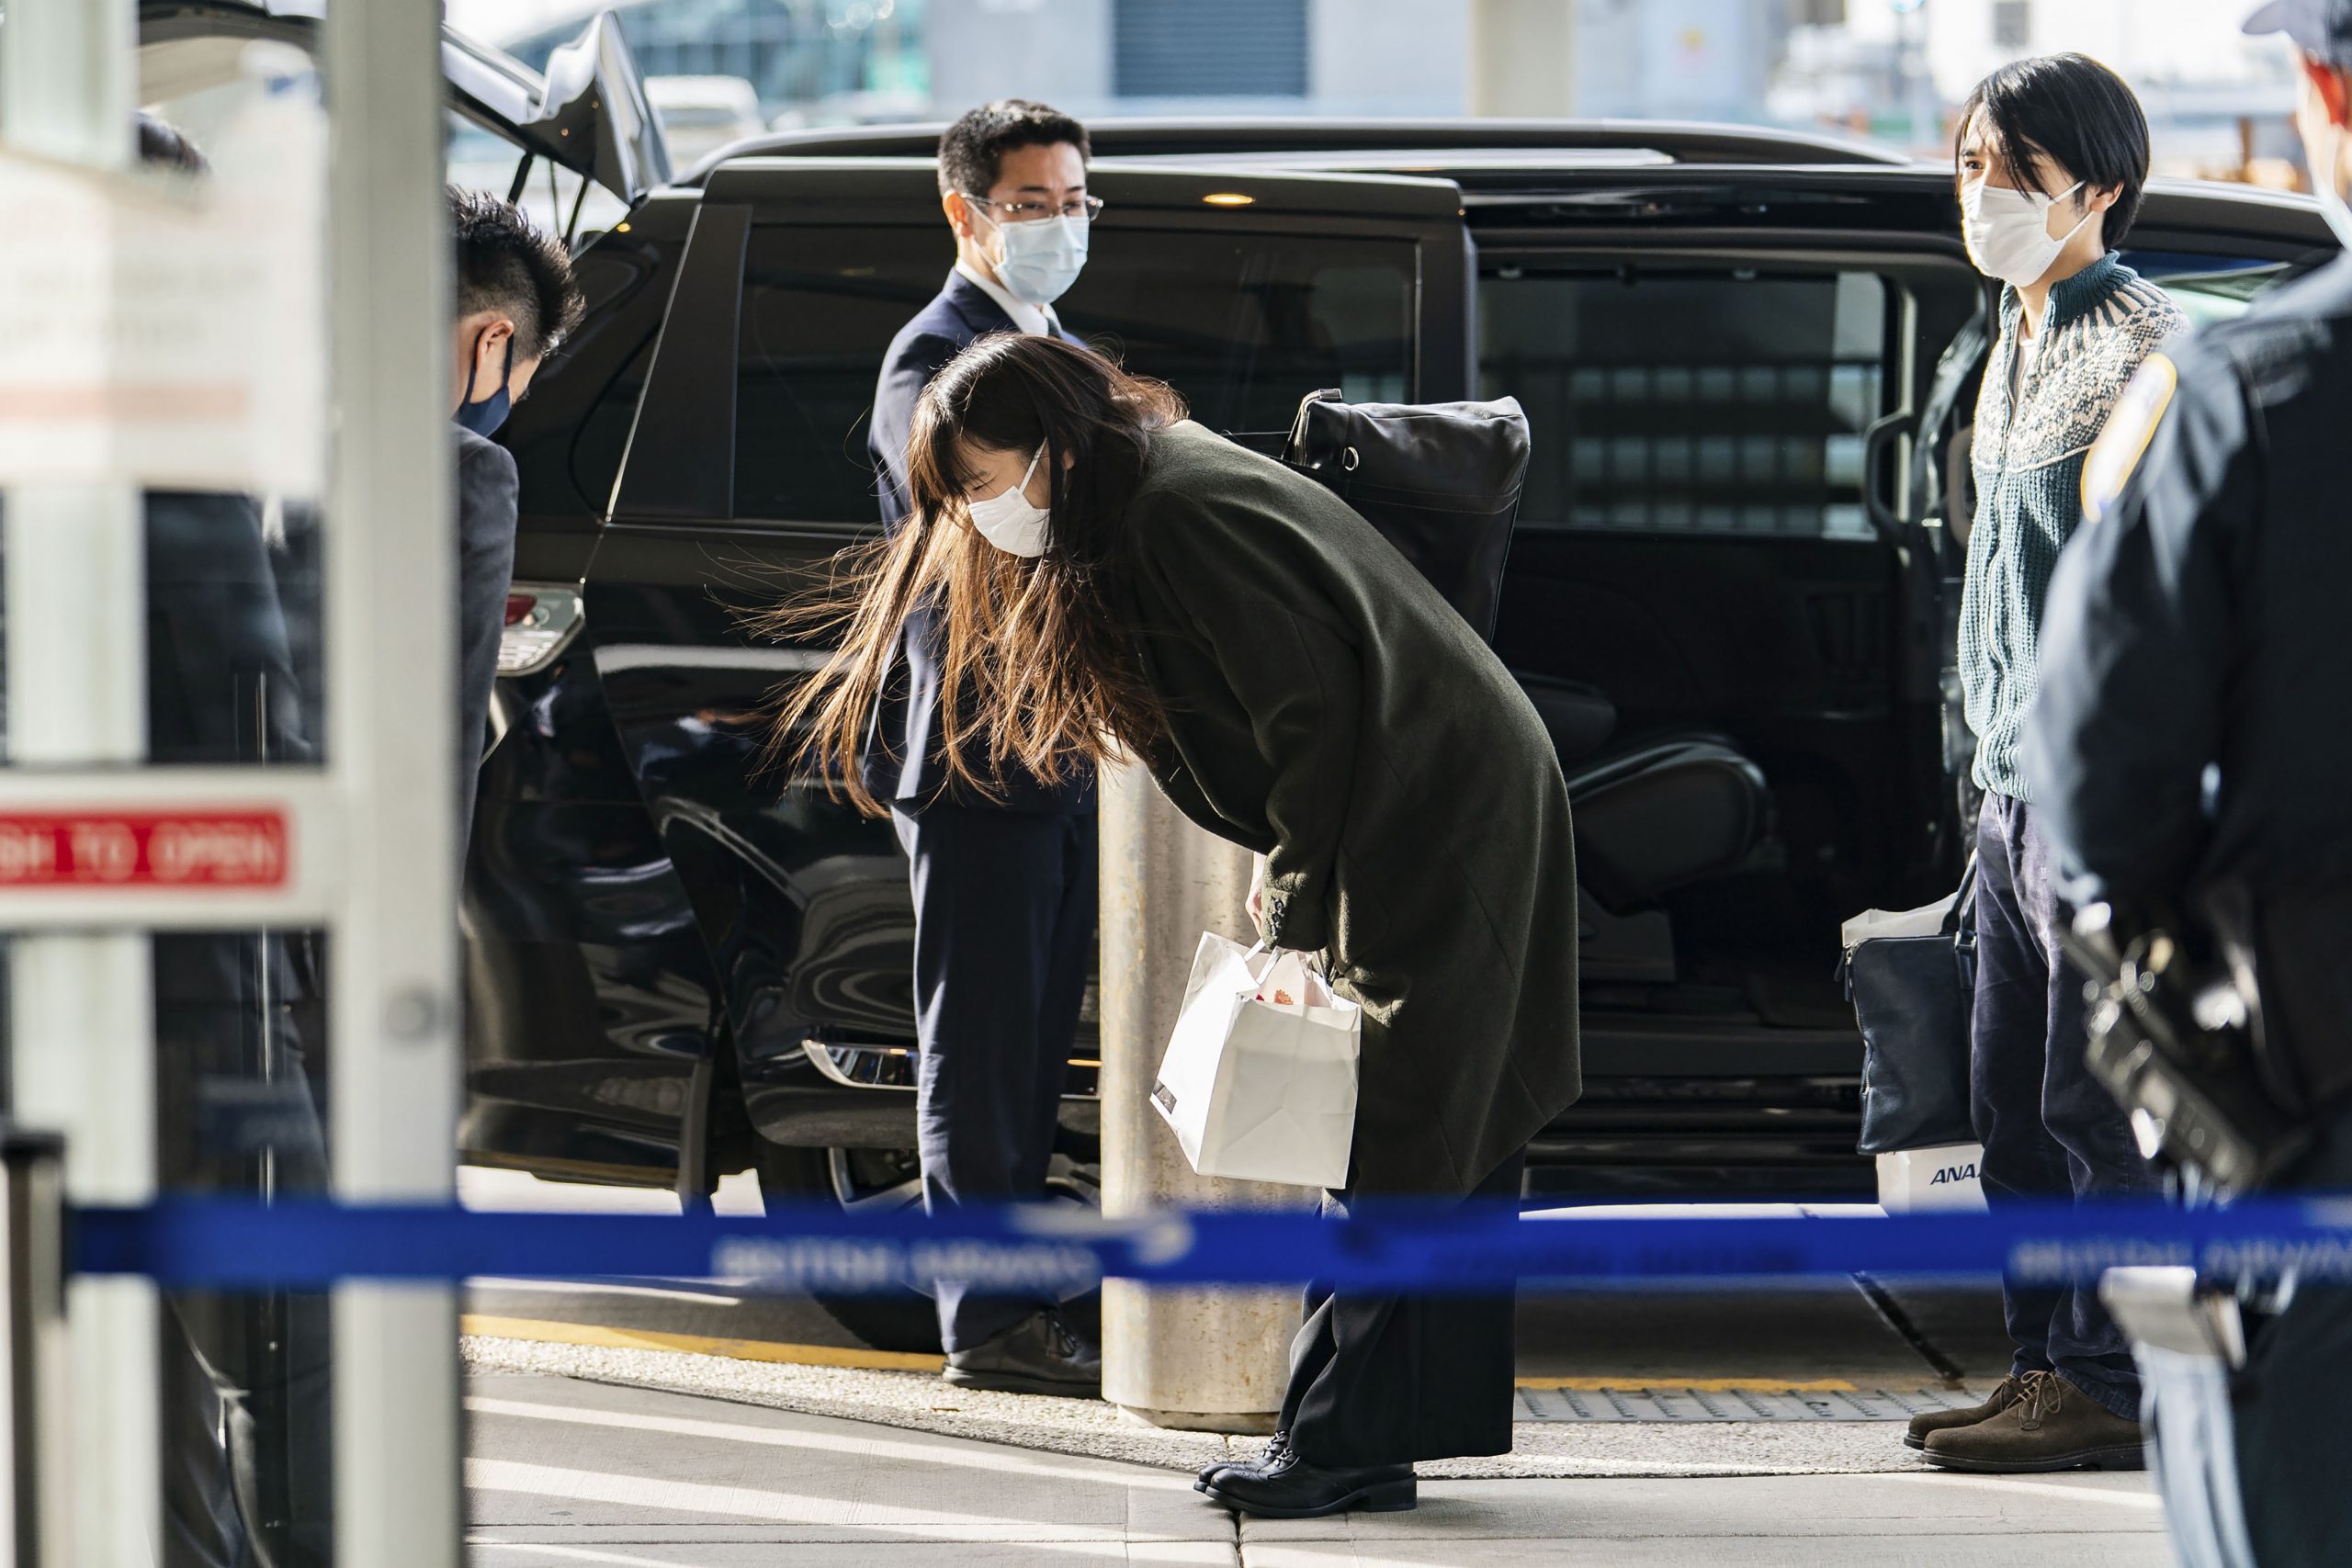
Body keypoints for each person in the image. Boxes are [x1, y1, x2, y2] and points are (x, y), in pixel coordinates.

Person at [775, 333, 1581, 1517]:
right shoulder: (1152, 476)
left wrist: (1296, 903)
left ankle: (1337, 1447)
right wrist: (1295, 876)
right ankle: (1381, 1436)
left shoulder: (1170, 511)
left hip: (1430, 808)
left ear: (1054, 448)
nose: (981, 516)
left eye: (986, 482)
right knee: (1434, 1132)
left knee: (1400, 1138)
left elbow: (1314, 717)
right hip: (1428, 793)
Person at [2023, 4, 2352, 1555]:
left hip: (2314, 1107)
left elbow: (2097, 787)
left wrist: (2198, 1084)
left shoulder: (2256, 390)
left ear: (2321, 88)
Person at [1904, 54, 2187, 1475]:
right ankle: (2042, 1363)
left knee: (2093, 1102)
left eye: (2016, 170)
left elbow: (2163, 601)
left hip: (2092, 795)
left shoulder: (2144, 348)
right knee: (2007, 1095)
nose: (1985, 193)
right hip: (2006, 786)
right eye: (1969, 163)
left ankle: (2117, 1379)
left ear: (2102, 184)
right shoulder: (2009, 336)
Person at [862, 99, 1106, 1387]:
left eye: (1075, 202)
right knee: (980, 1049)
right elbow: (970, 517)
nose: (1061, 224)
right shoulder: (939, 355)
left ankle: (1021, 1302)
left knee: (1028, 1053)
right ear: (964, 213)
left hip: (1055, 760)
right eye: (1032, 206)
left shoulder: (1053, 339)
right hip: (978, 757)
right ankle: (990, 1322)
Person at [448, 186, 582, 850]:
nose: (504, 410)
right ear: (494, 340)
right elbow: (446, 727)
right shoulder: (468, 469)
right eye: (515, 391)